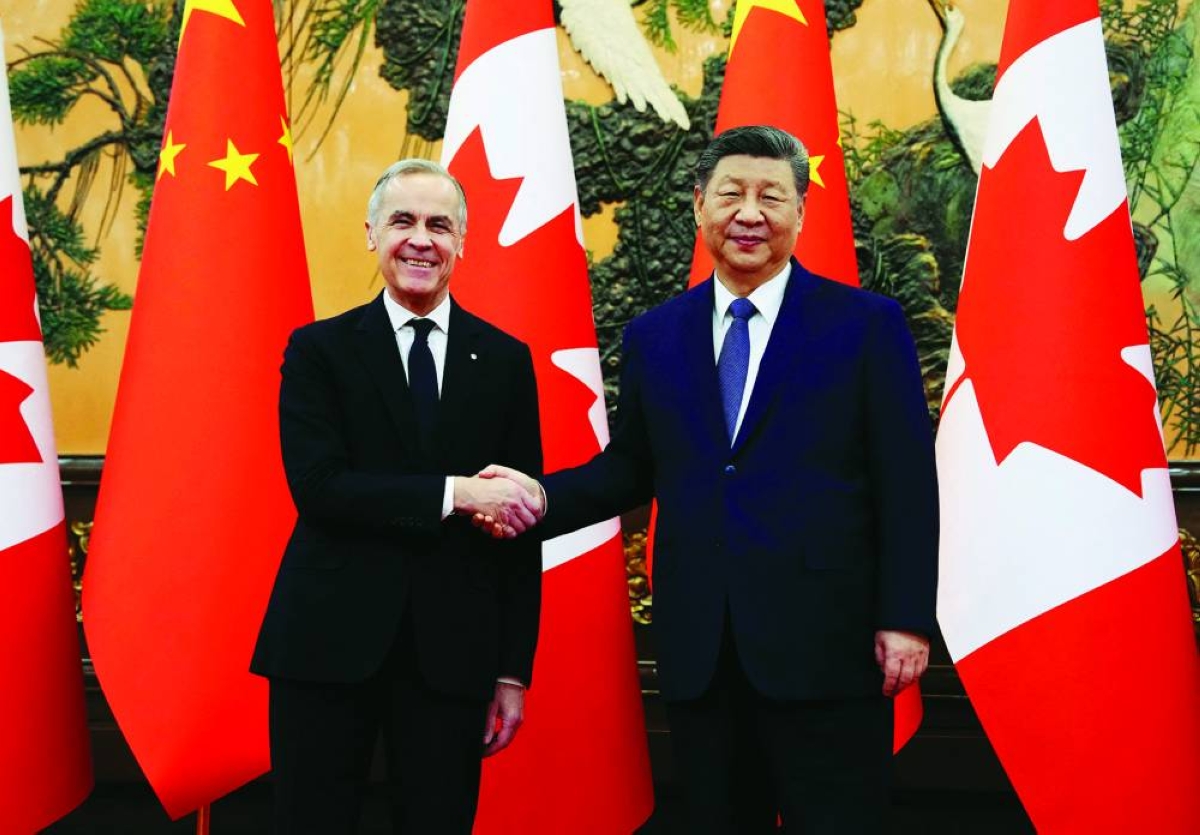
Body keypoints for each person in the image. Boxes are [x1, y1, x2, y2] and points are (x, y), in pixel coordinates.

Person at [479, 125, 939, 833]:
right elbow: (631, 467)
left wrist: (905, 617)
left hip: (830, 647)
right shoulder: (656, 335)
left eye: (770, 196)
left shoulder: (866, 325)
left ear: (800, 211)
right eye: (730, 194)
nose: (748, 213)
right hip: (704, 650)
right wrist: (537, 495)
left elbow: (906, 479)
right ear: (699, 206)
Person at [251, 159, 544, 835]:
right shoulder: (319, 350)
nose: (420, 239)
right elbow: (321, 489)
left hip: (452, 653)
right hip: (326, 645)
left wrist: (512, 670)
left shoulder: (504, 359)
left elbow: (519, 521)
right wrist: (456, 492)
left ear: (463, 241)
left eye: (439, 224)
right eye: (402, 221)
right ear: (371, 233)